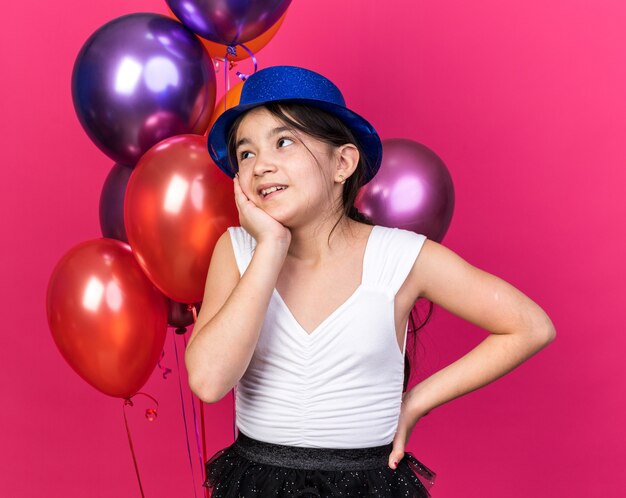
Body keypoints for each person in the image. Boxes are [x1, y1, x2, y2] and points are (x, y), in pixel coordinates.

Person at [185, 65, 556, 497]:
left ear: (342, 162)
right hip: (256, 482)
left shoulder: (400, 257)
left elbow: (531, 325)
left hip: (367, 484)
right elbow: (209, 382)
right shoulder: (237, 250)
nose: (261, 165)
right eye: (245, 154)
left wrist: (416, 400)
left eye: (283, 142)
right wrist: (269, 246)